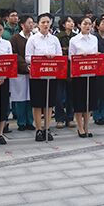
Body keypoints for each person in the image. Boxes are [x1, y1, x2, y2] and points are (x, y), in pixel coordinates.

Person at [25, 13, 62, 142]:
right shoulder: (33, 39)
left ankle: (47, 128)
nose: (46, 24)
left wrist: (53, 57)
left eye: (48, 22)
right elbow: (27, 57)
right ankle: (38, 129)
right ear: (38, 24)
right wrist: (42, 58)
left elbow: (59, 55)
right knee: (37, 103)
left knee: (49, 103)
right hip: (37, 74)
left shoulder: (54, 39)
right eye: (43, 22)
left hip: (51, 74)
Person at [68, 16, 99, 138]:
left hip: (91, 72)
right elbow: (70, 57)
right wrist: (81, 56)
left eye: (89, 24)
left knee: (89, 100)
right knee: (79, 100)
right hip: (79, 73)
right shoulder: (74, 40)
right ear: (79, 25)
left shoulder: (94, 39)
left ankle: (86, 126)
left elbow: (95, 53)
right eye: (85, 23)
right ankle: (80, 127)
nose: (87, 26)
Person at [9, 15, 34, 131]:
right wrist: (25, 66)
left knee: (31, 98)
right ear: (22, 25)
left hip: (34, 72)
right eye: (29, 23)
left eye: (32, 22)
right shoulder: (15, 38)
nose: (31, 25)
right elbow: (15, 55)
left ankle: (30, 121)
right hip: (20, 72)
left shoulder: (35, 38)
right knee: (20, 98)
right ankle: (21, 122)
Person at [55, 16, 76, 129]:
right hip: (61, 68)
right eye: (68, 21)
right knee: (59, 95)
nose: (71, 23)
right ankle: (59, 118)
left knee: (71, 94)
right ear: (63, 24)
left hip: (72, 68)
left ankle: (70, 117)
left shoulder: (76, 37)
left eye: (72, 21)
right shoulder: (58, 37)